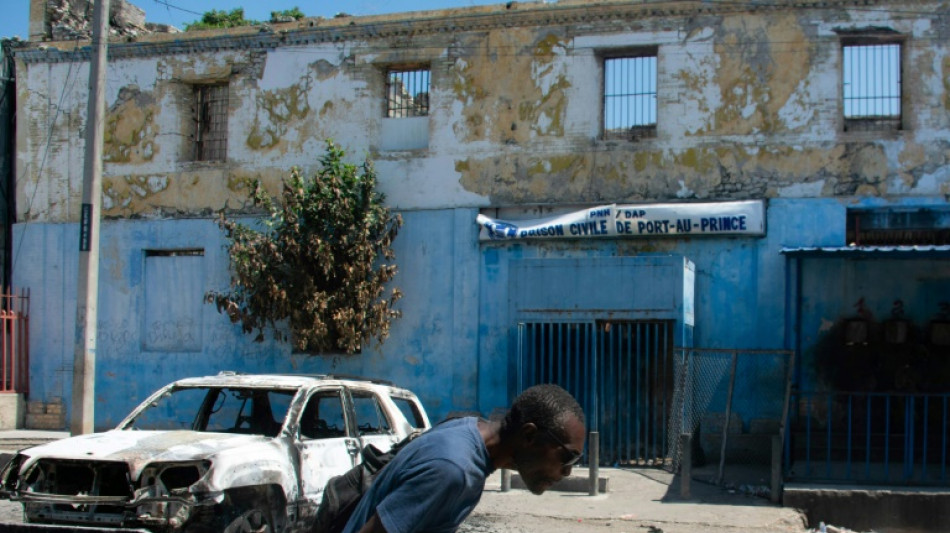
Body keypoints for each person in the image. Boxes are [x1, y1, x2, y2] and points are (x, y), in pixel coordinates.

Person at [342, 383, 586, 533]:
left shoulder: (467, 431)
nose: (567, 473)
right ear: (529, 435)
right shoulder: (453, 469)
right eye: (567, 458)